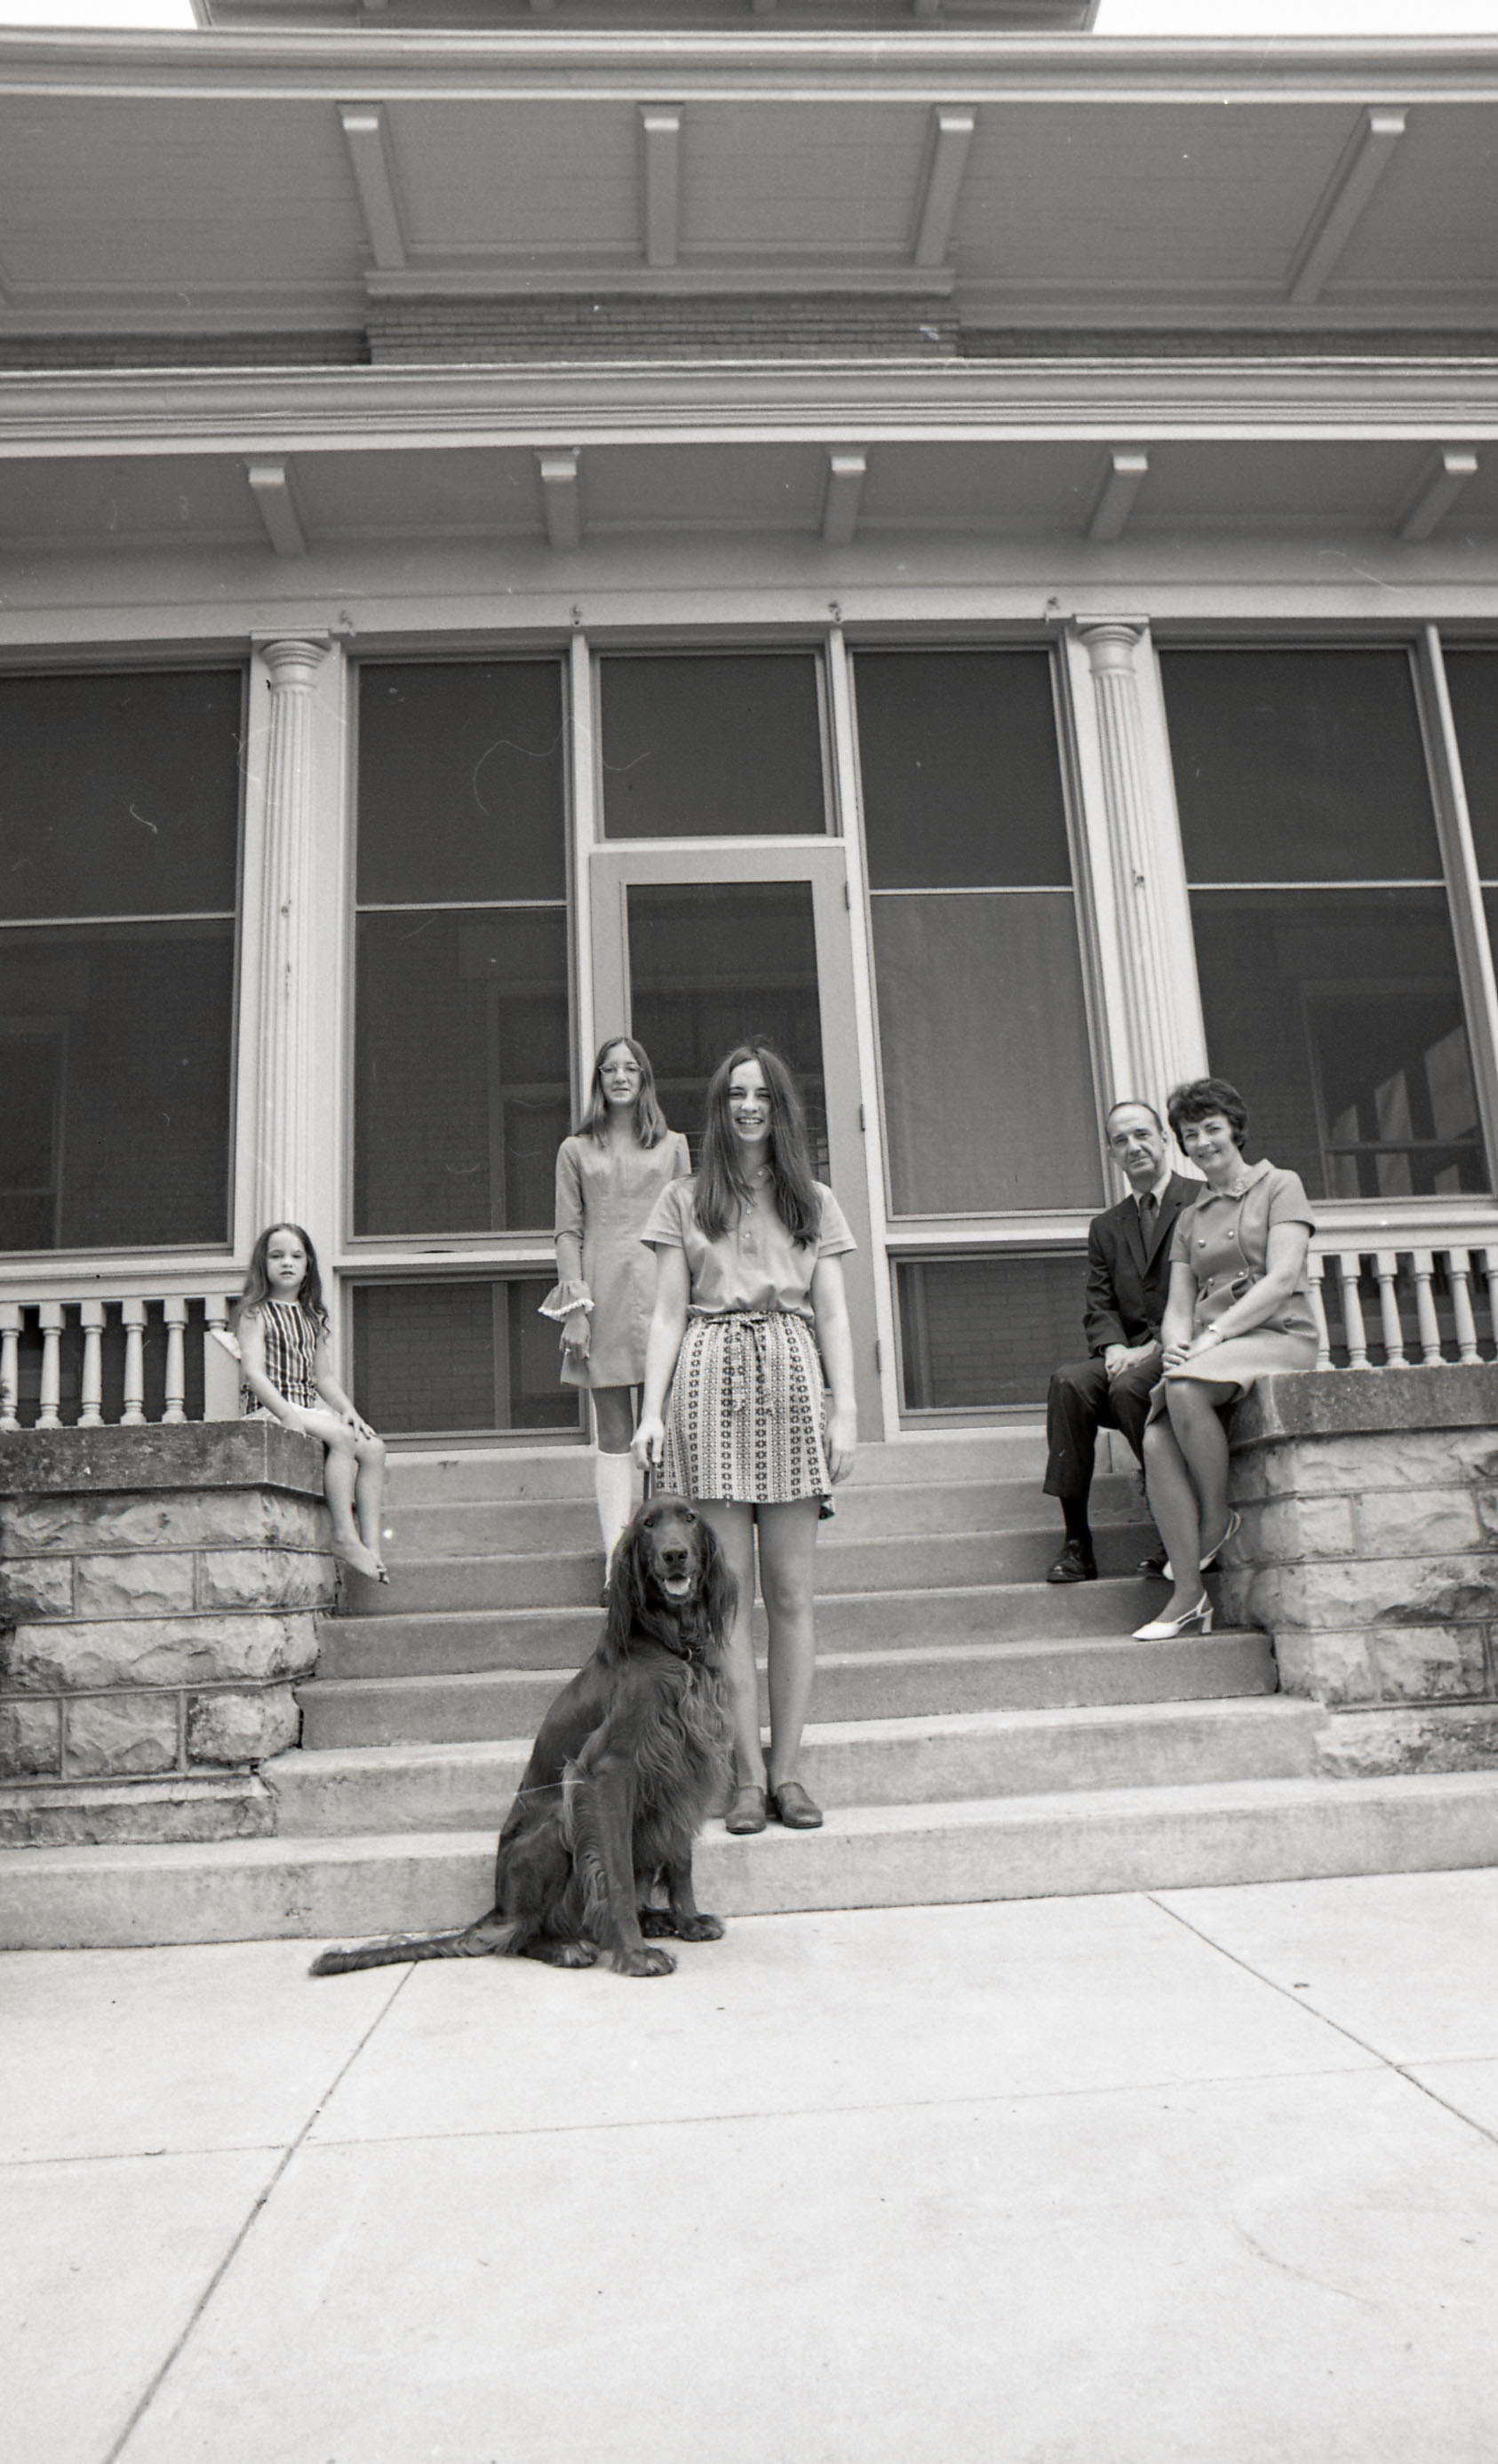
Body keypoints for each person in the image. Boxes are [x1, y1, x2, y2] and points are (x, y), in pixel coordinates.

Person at [633, 1041, 857, 1836]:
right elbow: (664, 1311)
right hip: (709, 1377)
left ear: (782, 1105)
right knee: (727, 1609)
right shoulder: (684, 1199)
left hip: (792, 1378)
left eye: (763, 1093)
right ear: (720, 1106)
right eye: (736, 1094)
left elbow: (830, 1311)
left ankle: (790, 1772)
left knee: (791, 1594)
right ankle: (746, 1778)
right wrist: (652, 1409)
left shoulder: (813, 1199)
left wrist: (847, 1409)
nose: (750, 1106)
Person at [1134, 1076, 1317, 1642]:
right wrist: (1176, 1348)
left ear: (1234, 1128)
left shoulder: (1280, 1184)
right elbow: (1178, 1303)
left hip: (1278, 1333)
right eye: (1191, 1134)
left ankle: (1217, 1518)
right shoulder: (1191, 1216)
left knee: (1185, 1392)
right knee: (1155, 1438)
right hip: (1216, 1348)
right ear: (1183, 1146)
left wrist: (1210, 1340)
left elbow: (1282, 1277)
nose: (1204, 1141)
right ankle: (1187, 1597)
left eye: (1213, 1128)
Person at [539, 1036, 691, 1577]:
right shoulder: (574, 1150)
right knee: (612, 1431)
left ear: (645, 1078)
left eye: (631, 1068)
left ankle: (670, 1559)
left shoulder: (674, 1145)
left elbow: (687, 1230)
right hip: (601, 1296)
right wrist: (575, 1307)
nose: (621, 1076)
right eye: (610, 1069)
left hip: (663, 1296)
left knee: (666, 1426)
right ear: (598, 1080)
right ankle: (615, 1563)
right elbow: (566, 1232)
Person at [1044, 1101, 1201, 1583]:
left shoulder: (1201, 1201)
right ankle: (1077, 1543)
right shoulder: (1106, 1227)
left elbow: (1206, 1292)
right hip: (1129, 1355)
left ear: (1164, 1139)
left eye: (1141, 1135)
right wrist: (1112, 1347)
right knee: (1070, 1383)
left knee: (1130, 1388)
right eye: (1120, 1141)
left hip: (1185, 1348)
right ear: (1111, 1154)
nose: (1133, 1147)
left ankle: (1173, 1530)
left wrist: (1150, 1347)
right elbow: (1100, 1301)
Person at [234, 1223, 388, 1583]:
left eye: (295, 1256)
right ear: (263, 1264)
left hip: (307, 1408)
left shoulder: (312, 1317)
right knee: (342, 1438)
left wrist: (349, 1412)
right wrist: (288, 1416)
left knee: (375, 1448)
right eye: (276, 1256)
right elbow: (254, 1374)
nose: (286, 1262)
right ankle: (343, 1536)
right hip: (270, 1411)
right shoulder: (256, 1313)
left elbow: (324, 1378)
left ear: (308, 1265)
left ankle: (371, 1546)